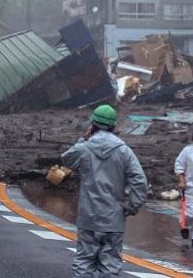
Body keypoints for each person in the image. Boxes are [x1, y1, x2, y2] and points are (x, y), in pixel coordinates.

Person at [61, 105, 148, 277]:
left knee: (84, 260)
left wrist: (82, 141)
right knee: (110, 264)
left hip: (88, 216)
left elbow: (66, 160)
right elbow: (140, 181)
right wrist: (131, 207)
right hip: (113, 218)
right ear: (113, 126)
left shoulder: (84, 148)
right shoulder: (124, 151)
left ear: (93, 124)